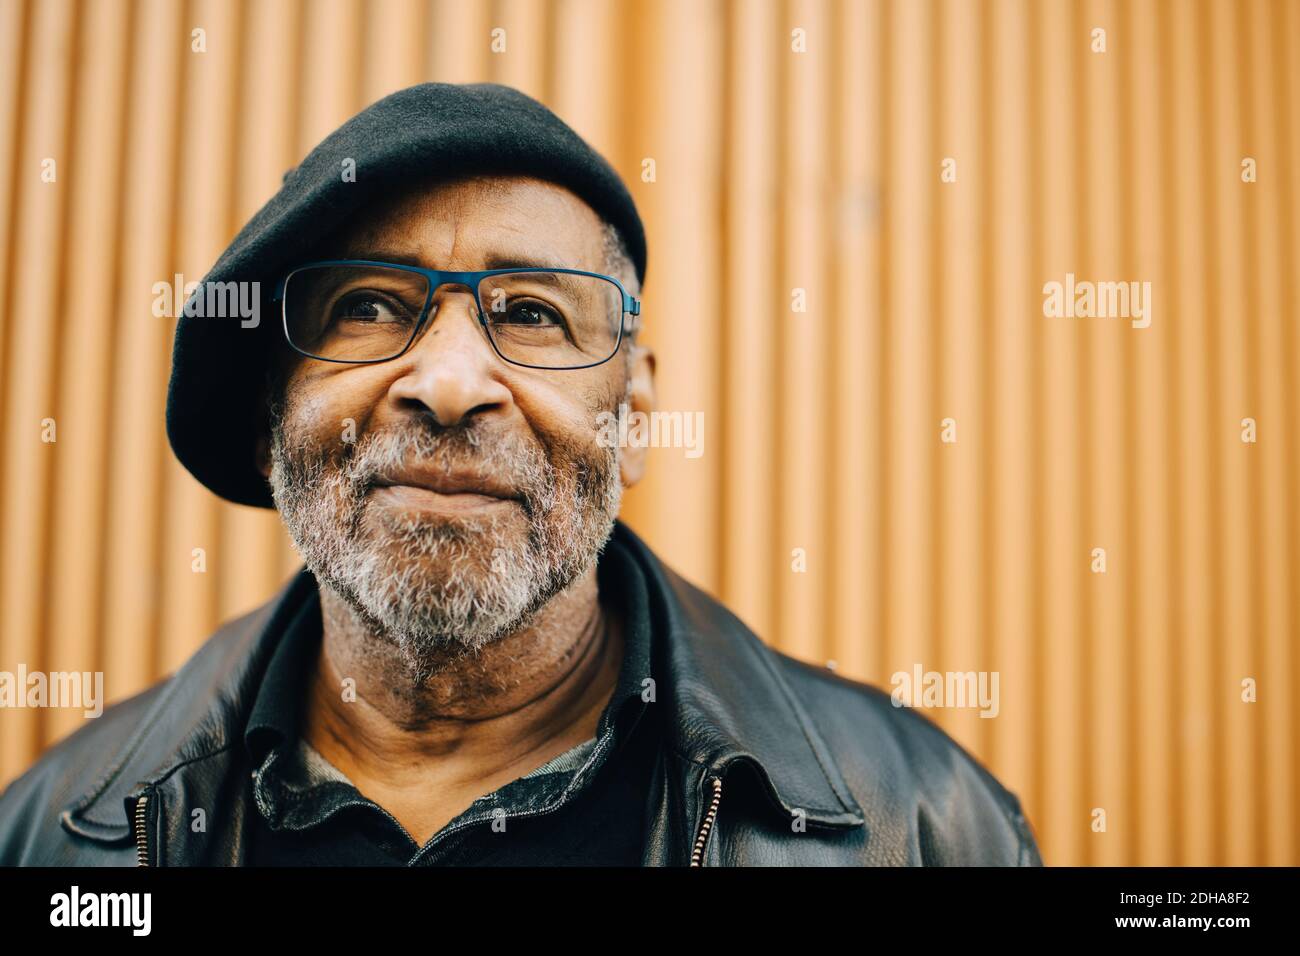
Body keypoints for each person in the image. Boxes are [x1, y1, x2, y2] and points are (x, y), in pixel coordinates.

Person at [0, 82, 1042, 866]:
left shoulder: (921, 823)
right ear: (276, 415)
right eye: (367, 304)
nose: (450, 384)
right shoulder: (58, 831)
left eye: (532, 314)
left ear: (633, 418)